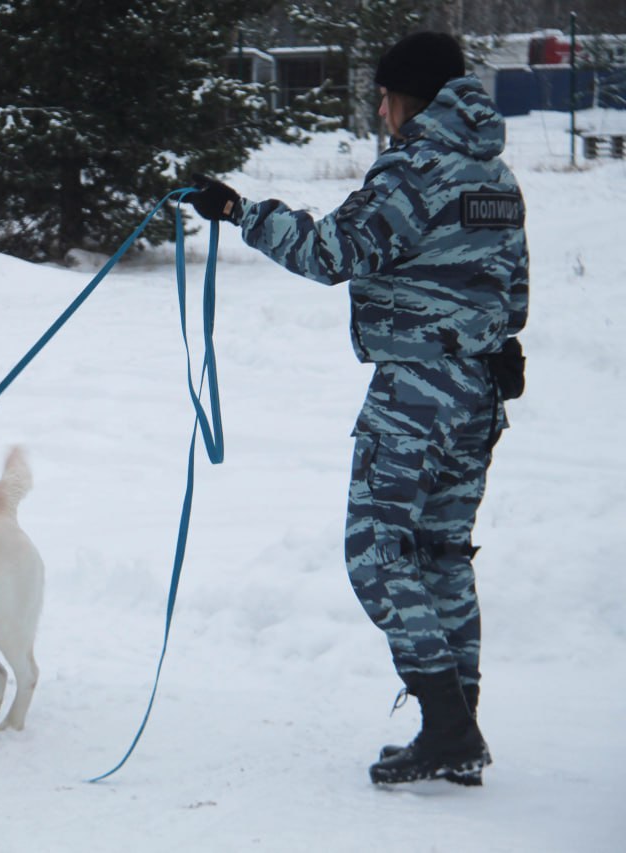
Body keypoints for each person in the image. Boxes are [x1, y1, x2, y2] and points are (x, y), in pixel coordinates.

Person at [189, 31, 528, 786]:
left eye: (385, 96)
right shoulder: (493, 173)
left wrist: (238, 210)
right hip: (479, 393)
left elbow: (331, 253)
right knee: (442, 555)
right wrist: (496, 345)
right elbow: (512, 288)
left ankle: (448, 727)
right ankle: (458, 729)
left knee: (377, 552)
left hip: (416, 395)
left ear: (411, 98)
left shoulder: (415, 169)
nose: (380, 110)